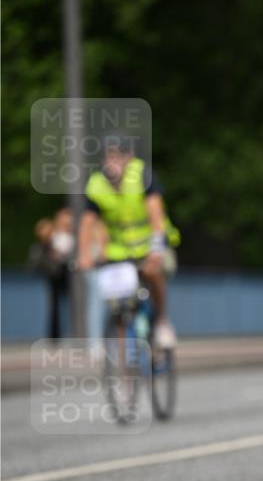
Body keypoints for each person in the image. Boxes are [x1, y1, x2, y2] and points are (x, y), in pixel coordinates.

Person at [77, 137, 179, 349]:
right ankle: (125, 370)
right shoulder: (96, 185)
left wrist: (156, 249)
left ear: (128, 158)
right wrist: (84, 255)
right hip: (120, 251)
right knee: (119, 305)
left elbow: (156, 216)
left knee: (153, 272)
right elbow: (87, 223)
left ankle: (162, 321)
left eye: (116, 156)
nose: (110, 162)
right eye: (107, 157)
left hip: (151, 246)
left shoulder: (142, 175)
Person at [29, 208, 74, 340]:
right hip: (55, 274)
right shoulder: (53, 236)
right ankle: (56, 334)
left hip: (70, 274)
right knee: (55, 306)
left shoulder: (72, 236)